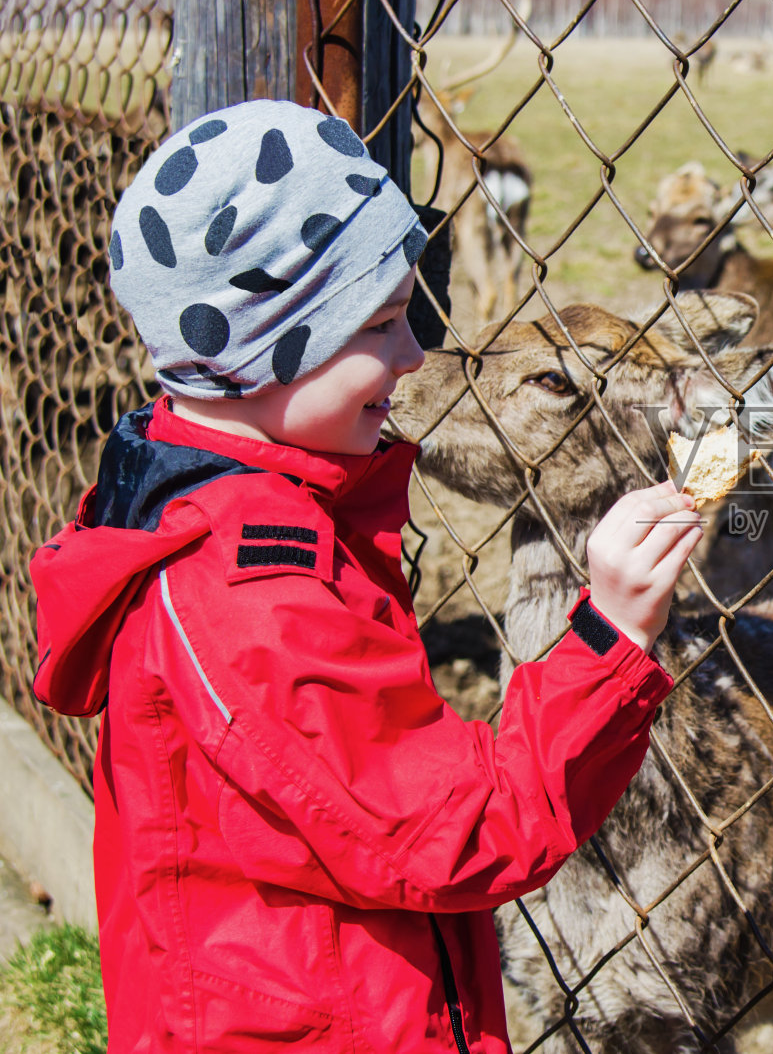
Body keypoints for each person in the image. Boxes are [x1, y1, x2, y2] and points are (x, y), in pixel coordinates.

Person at [29, 100, 703, 1052]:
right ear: (268, 349)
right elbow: (459, 828)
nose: (413, 355)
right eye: (381, 324)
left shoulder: (210, 511)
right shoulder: (254, 601)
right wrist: (611, 639)